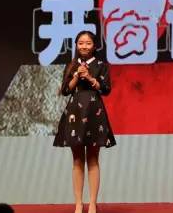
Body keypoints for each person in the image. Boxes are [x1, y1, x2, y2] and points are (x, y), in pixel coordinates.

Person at [54, 30, 115, 213]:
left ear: (94, 46)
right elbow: (65, 91)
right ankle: (79, 204)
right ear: (76, 45)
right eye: (81, 43)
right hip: (75, 112)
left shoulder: (101, 65)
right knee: (77, 159)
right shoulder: (72, 65)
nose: (84, 46)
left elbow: (106, 89)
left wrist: (89, 77)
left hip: (94, 112)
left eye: (88, 43)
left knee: (93, 159)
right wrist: (75, 76)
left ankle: (93, 203)